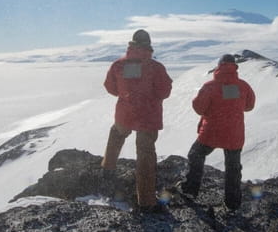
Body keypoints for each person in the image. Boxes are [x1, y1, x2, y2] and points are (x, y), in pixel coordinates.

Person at [101, 29, 173, 213]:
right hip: (148, 115)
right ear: (149, 45)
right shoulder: (156, 67)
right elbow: (164, 91)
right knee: (146, 154)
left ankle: (107, 168)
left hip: (125, 113)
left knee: (117, 133)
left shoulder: (118, 65)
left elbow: (110, 87)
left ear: (132, 44)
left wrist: (127, 95)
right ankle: (147, 201)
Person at [177, 54, 256, 213]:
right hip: (234, 133)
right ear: (235, 67)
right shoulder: (243, 86)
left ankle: (190, 189)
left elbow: (199, 108)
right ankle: (232, 203)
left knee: (196, 154)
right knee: (233, 167)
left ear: (219, 66)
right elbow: (249, 106)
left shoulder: (210, 86)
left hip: (211, 131)